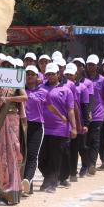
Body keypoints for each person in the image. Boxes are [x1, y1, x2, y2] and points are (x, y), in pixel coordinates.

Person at [38, 64, 76, 193]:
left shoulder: (66, 90)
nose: (50, 76)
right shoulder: (41, 88)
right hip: (42, 127)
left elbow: (70, 110)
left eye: (53, 74)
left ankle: (51, 183)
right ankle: (49, 178)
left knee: (55, 157)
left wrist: (74, 127)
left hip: (59, 128)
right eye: (48, 74)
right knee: (41, 158)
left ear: (58, 74)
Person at [0, 84, 27, 205]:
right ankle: (3, 188)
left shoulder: (16, 82)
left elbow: (24, 97)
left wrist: (8, 99)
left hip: (11, 120)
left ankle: (8, 193)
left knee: (11, 157)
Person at [21, 65, 47, 195]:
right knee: (22, 155)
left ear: (37, 77)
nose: (29, 76)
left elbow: (50, 107)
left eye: (32, 74)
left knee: (32, 155)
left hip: (36, 126)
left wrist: (62, 117)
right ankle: (27, 186)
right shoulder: (19, 90)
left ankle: (27, 179)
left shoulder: (43, 91)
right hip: (22, 125)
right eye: (27, 74)